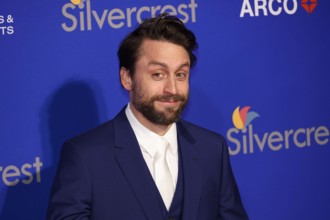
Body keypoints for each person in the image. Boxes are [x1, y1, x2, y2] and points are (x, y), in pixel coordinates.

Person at [47, 13, 249, 220]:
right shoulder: (85, 156)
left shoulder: (212, 149)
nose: (172, 88)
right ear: (127, 78)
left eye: (180, 74)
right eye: (158, 74)